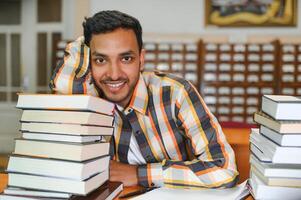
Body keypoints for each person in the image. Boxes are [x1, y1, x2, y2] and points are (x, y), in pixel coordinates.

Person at [50, 10, 239, 189]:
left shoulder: (175, 93)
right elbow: (62, 86)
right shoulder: (90, 98)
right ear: (90, 61)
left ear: (141, 58)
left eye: (126, 59)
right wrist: (88, 36)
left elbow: (224, 171)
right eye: (101, 60)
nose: (114, 74)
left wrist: (140, 174)